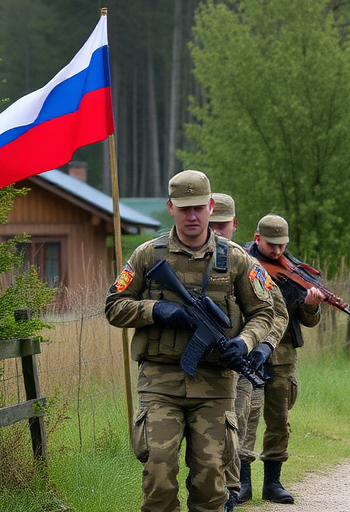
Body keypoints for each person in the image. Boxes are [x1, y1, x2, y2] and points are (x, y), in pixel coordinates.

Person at [106, 170, 275, 512]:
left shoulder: (237, 259)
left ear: (211, 206)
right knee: (158, 473)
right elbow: (113, 306)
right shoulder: (147, 256)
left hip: (215, 386)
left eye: (199, 207)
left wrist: (244, 343)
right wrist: (157, 310)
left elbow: (264, 312)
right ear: (170, 207)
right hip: (159, 382)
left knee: (211, 481)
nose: (193, 216)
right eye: (184, 208)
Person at [210, 193, 289, 505]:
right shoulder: (176, 262)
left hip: (240, 363)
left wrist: (262, 347)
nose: (216, 230)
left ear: (234, 225)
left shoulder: (248, 263)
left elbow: (277, 312)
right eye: (211, 223)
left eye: (222, 224)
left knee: (239, 426)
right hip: (197, 366)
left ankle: (235, 489)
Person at [245, 214, 324, 504]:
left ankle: (273, 482)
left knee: (279, 419)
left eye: (281, 245)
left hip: (282, 354)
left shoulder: (297, 272)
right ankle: (242, 482)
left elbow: (308, 321)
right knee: (246, 418)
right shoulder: (242, 262)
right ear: (257, 239)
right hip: (249, 350)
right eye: (270, 244)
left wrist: (311, 306)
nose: (277, 250)